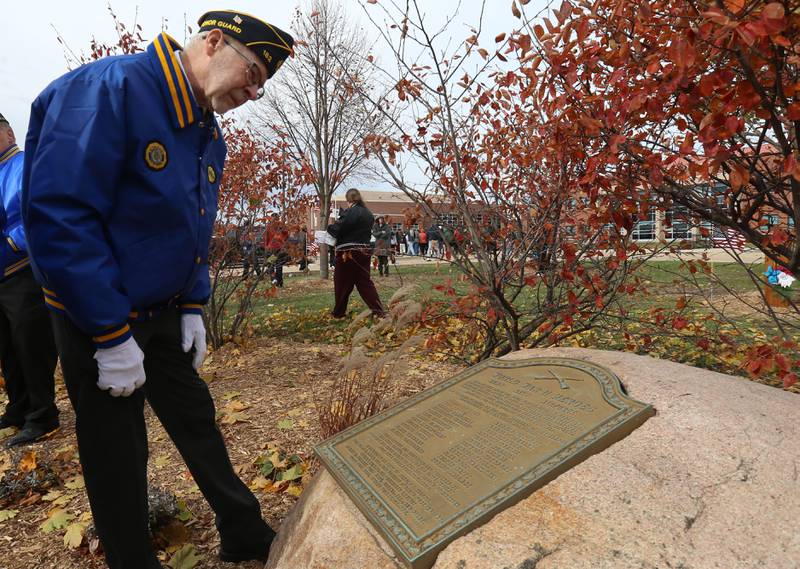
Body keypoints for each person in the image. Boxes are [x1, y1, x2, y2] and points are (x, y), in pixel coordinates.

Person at [21, 12, 294, 568]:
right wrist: (108, 333)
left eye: (262, 81)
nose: (255, 89)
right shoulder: (109, 90)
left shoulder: (204, 129)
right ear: (214, 42)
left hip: (165, 311)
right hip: (97, 318)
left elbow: (192, 225)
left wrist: (194, 302)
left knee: (196, 419)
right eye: (253, 70)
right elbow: (60, 217)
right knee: (116, 452)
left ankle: (241, 529)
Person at [0, 114, 59, 448]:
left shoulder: (25, 165)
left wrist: (8, 247)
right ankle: (19, 409)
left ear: (8, 132)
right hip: (1, 277)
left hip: (22, 270)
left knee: (31, 344)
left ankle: (43, 414)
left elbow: (35, 216)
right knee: (8, 347)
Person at [327, 189, 385, 317]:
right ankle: (378, 311)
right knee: (364, 282)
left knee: (341, 282)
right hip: (364, 251)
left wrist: (329, 228)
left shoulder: (350, 212)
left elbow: (338, 228)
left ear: (349, 200)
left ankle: (339, 312)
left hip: (348, 251)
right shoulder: (368, 214)